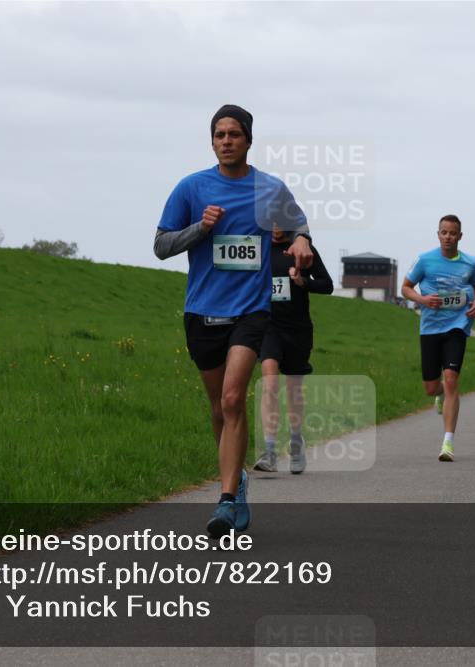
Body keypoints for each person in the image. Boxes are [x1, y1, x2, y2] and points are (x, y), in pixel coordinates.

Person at [154, 104, 314, 537]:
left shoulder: (269, 189)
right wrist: (200, 230)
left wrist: (301, 243)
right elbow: (161, 246)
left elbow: (299, 226)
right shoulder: (191, 188)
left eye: (235, 134)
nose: (227, 141)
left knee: (231, 399)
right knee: (217, 408)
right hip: (202, 310)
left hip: (251, 311)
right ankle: (236, 480)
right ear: (212, 141)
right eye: (219, 134)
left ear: (248, 140)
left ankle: (225, 500)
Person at [402, 214, 475, 462]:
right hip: (430, 329)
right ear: (438, 234)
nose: (448, 237)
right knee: (431, 387)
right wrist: (423, 300)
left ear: (460, 236)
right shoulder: (425, 260)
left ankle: (447, 443)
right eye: (444, 232)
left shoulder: (471, 262)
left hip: (457, 327)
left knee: (451, 380)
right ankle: (439, 395)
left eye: (452, 233)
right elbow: (405, 288)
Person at [254, 225, 333, 474]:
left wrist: (302, 282)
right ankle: (269, 452)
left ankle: (297, 442)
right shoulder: (259, 248)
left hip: (297, 328)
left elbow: (327, 284)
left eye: (280, 222)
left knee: (294, 388)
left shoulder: (302, 250)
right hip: (268, 326)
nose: (275, 228)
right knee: (269, 381)